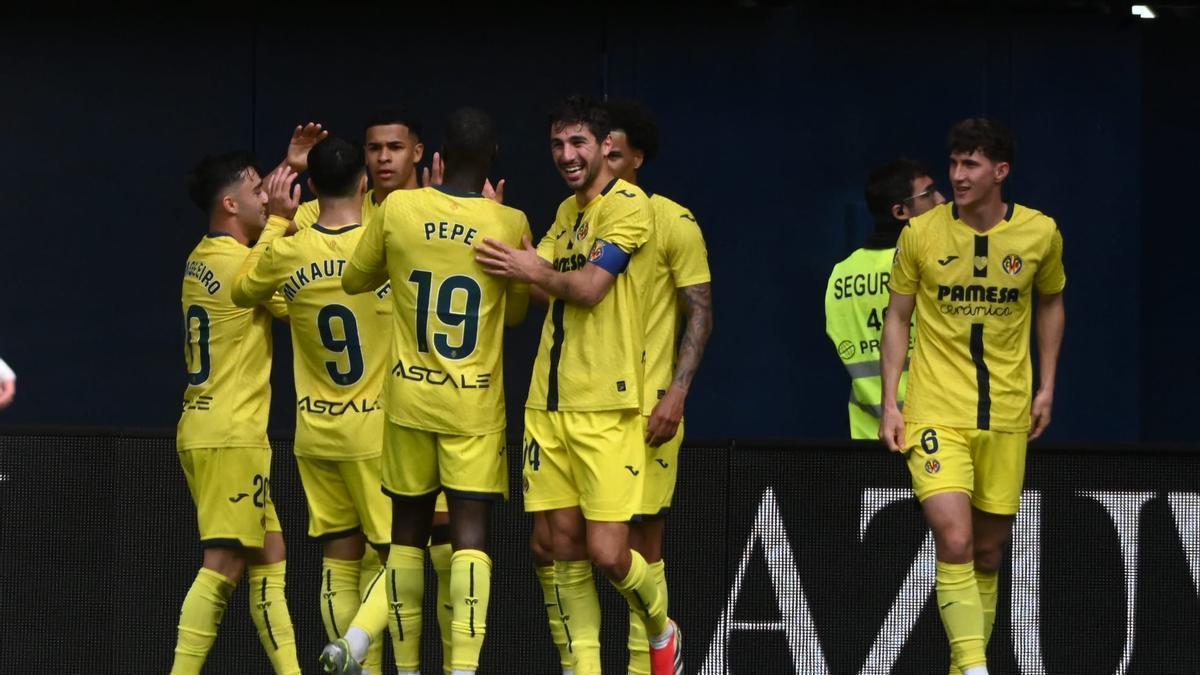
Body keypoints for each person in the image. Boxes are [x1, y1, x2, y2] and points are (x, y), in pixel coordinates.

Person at [475, 95, 682, 675]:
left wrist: (532, 268)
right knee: (556, 548)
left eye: (578, 143)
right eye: (557, 144)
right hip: (548, 402)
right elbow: (540, 285)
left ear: (604, 146)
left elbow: (589, 288)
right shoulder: (567, 212)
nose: (566, 155)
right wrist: (500, 227)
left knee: (609, 552)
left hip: (607, 405)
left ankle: (662, 629)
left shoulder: (629, 206)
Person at [328, 107, 531, 675]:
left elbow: (354, 279)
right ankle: (462, 668)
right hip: (473, 405)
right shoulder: (508, 221)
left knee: (407, 538)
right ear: (491, 158)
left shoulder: (400, 208)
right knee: (469, 538)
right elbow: (517, 313)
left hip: (409, 401)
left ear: (436, 156)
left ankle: (396, 661)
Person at [879, 118, 1066, 675]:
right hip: (937, 408)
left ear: (1000, 171)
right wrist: (891, 402)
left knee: (987, 552)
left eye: (971, 165)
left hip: (1006, 411)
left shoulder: (1040, 233)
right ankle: (975, 667)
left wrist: (1047, 387)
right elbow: (897, 316)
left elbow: (1051, 302)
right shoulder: (921, 234)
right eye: (954, 164)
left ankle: (965, 666)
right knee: (955, 537)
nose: (958, 176)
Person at [288, 108, 457, 673]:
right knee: (376, 557)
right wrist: (296, 168)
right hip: (372, 423)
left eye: (395, 147)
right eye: (374, 148)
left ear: (418, 153)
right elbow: (270, 227)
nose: (384, 158)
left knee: (440, 555)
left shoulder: (433, 213)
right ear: (361, 165)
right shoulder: (323, 212)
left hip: (425, 407)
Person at [229, 136, 404, 673]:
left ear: (309, 188)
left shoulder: (289, 251)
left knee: (339, 555)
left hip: (316, 432)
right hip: (374, 431)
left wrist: (280, 221)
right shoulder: (383, 248)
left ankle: (349, 659)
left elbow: (242, 289)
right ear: (364, 182)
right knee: (402, 557)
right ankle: (355, 645)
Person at [171, 153, 301, 675]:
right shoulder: (238, 267)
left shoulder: (202, 256)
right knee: (222, 566)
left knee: (270, 557)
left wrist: (287, 165)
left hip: (208, 427)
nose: (266, 197)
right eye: (256, 190)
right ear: (229, 204)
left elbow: (259, 253)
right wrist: (284, 224)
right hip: (230, 434)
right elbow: (287, 302)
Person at [602, 97, 713, 675]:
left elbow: (701, 312)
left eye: (615, 154)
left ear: (637, 159)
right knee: (581, 546)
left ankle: (646, 662)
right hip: (588, 408)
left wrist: (677, 393)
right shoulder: (577, 220)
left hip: (649, 407)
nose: (603, 162)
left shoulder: (673, 220)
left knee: (643, 539)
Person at [825, 159, 943, 438]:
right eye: (928, 194)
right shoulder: (929, 268)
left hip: (868, 435)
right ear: (900, 212)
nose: (941, 200)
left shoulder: (841, 274)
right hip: (932, 435)